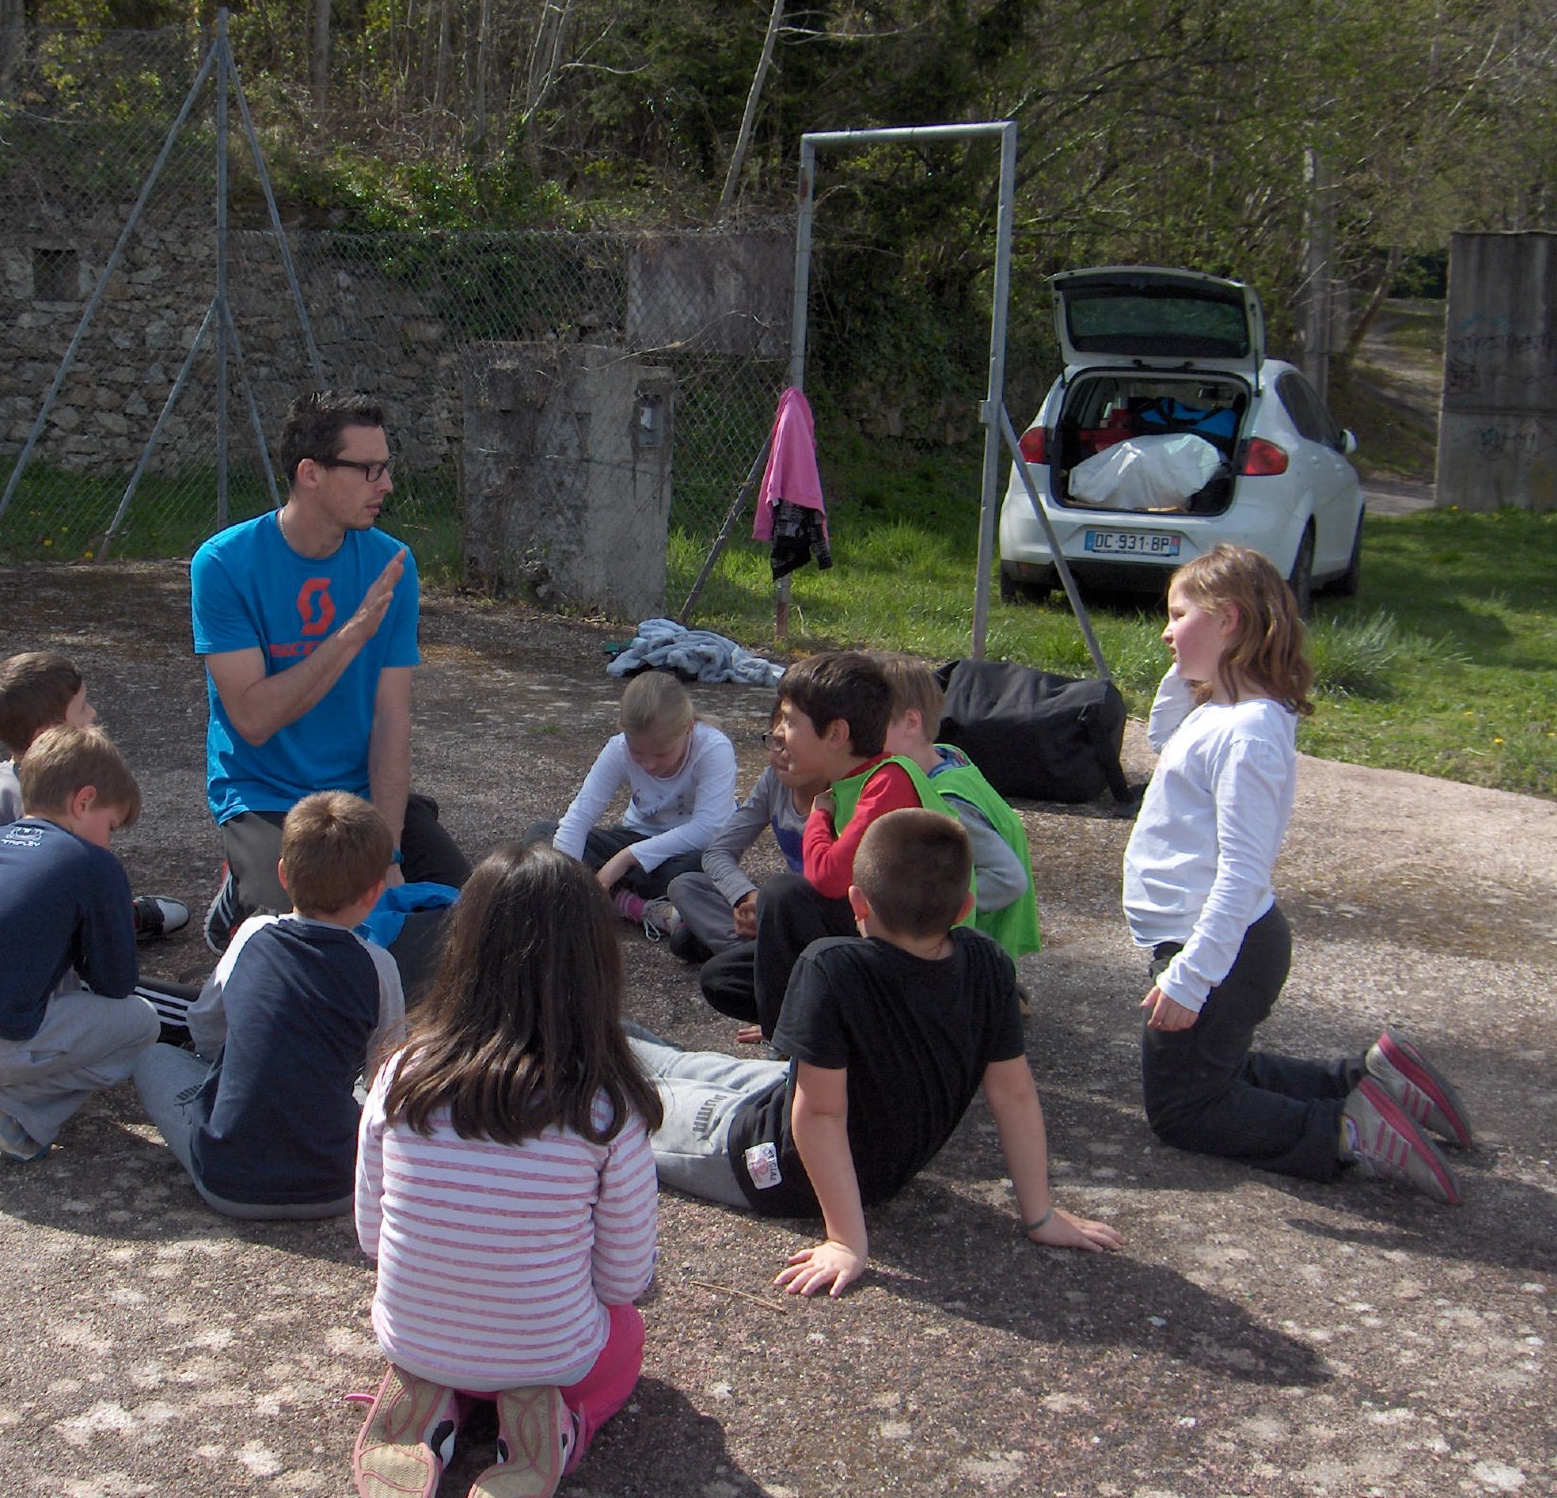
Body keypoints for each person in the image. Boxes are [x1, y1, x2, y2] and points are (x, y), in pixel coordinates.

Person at [628, 808, 1122, 1296]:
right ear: (965, 906)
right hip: (800, 1109)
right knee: (665, 1062)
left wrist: (845, 1240)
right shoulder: (987, 963)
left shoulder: (831, 967)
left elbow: (820, 1114)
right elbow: (1014, 1095)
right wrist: (1040, 1214)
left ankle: (557, 1052)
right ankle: (569, 1032)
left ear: (856, 903)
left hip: (769, 1160)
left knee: (618, 1100)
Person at [1125, 544, 1472, 1201]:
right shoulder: (1222, 710)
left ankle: (1351, 1130)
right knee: (1215, 1071)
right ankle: (1373, 1080)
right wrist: (1188, 671)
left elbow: (1242, 869)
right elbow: (1163, 744)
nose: (1166, 631)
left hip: (1217, 949)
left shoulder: (1249, 732)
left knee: (1185, 1111)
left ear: (1227, 619)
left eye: (1178, 616)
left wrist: (1192, 976)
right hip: (1217, 944)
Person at [352, 845, 659, 1498]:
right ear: (595, 966)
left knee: (452, 1337)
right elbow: (624, 1278)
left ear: (463, 949)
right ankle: (554, 1421)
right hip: (553, 1357)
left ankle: (436, 1403)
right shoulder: (604, 1104)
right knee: (625, 1334)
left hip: (412, 1336)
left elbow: (373, 1237)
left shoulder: (400, 1072)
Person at [189, 392, 471, 968]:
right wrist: (350, 636)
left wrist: (386, 850)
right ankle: (238, 892)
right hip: (267, 792)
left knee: (468, 921)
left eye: (386, 466)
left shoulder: (393, 562)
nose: (386, 484)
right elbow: (253, 718)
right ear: (311, 473)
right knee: (304, 945)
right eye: (368, 470)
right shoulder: (222, 565)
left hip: (358, 794)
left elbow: (391, 717)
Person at [132, 792, 404, 1219]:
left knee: (153, 1056)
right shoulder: (379, 965)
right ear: (375, 893)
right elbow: (386, 1081)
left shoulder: (253, 934)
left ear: (283, 874)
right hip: (336, 1186)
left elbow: (203, 1024)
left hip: (228, 1182)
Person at [0, 724, 160, 1162]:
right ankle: (11, 1110)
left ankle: (2, 1088)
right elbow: (116, 983)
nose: (110, 840)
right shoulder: (95, 864)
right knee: (139, 1024)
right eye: (109, 826)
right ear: (84, 801)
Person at [700, 651, 958, 1042]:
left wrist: (820, 814)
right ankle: (806, 1021)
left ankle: (790, 1044)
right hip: (873, 939)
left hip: (914, 965)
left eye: (790, 721)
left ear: (836, 735)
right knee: (720, 978)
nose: (780, 733)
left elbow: (828, 879)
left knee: (783, 894)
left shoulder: (888, 780)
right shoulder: (854, 779)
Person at [0, 650, 188, 938]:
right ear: (48, 732)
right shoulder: (31, 804)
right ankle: (117, 921)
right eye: (82, 708)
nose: (93, 714)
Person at [528, 670, 737, 935]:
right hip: (638, 837)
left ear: (689, 729)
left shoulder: (713, 747)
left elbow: (709, 829)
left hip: (690, 851)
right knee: (541, 836)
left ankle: (607, 898)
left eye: (662, 753)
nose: (649, 764)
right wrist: (561, 875)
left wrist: (625, 859)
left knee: (697, 871)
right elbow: (578, 817)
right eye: (637, 752)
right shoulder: (617, 749)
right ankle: (629, 904)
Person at [870, 652, 1041, 963]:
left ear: (910, 722)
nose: (861, 738)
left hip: (973, 952)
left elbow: (1008, 879)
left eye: (870, 726)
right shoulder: (948, 757)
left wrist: (925, 912)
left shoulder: (946, 798)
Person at [663, 704, 823, 972]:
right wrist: (748, 898)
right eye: (776, 742)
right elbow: (718, 852)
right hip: (774, 908)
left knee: (693, 944)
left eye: (791, 746)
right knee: (685, 886)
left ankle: (759, 961)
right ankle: (764, 958)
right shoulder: (774, 780)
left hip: (816, 914)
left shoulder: (842, 794)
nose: (782, 755)